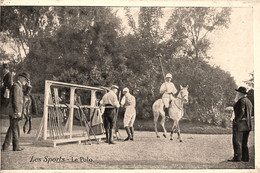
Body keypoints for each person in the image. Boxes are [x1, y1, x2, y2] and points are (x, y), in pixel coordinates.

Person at [2, 72, 30, 151]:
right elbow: (16, 100)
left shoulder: (18, 86)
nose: (25, 82)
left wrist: (29, 87)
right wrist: (17, 111)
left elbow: (24, 96)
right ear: (20, 78)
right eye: (25, 80)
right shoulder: (16, 86)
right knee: (14, 129)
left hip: (15, 111)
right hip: (14, 111)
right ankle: (15, 146)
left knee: (12, 128)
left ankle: (5, 146)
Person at [228, 86, 253, 162]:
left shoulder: (241, 101)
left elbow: (241, 112)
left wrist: (236, 120)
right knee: (244, 142)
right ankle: (245, 158)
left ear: (240, 93)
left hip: (241, 124)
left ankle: (237, 157)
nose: (237, 94)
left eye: (238, 92)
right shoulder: (248, 101)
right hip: (247, 124)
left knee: (237, 141)